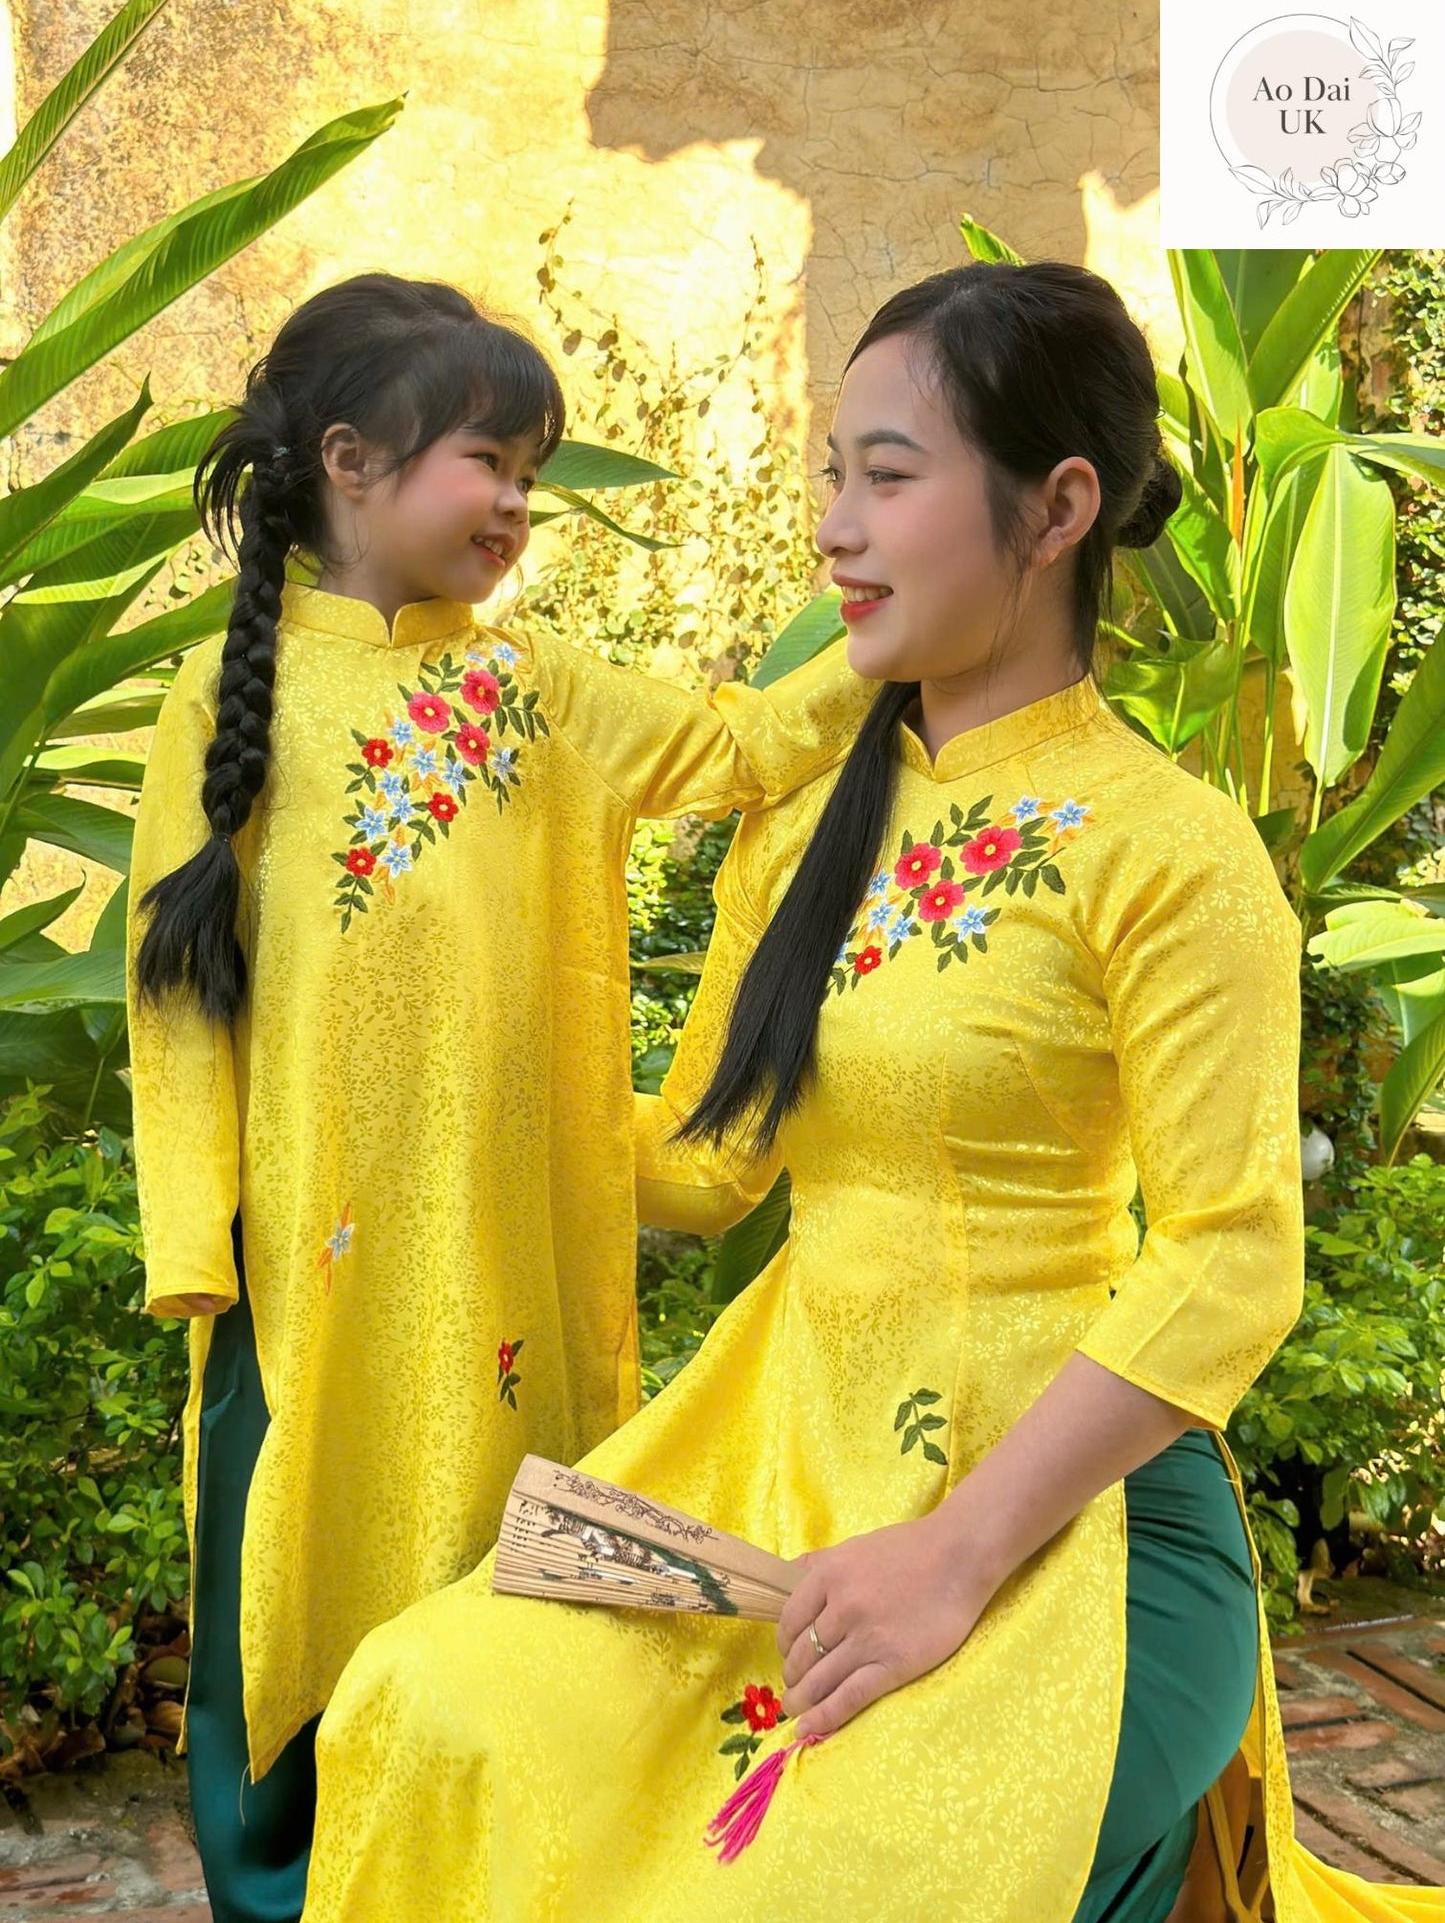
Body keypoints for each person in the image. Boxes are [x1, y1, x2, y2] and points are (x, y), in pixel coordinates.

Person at [301, 263, 1443, 1923]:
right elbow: (704, 1170)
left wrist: (951, 1558)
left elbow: (1230, 1259)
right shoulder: (811, 826)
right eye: (833, 475)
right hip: (775, 1464)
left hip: (1065, 1527)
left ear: (1058, 508)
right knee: (426, 1709)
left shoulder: (1169, 855)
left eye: (886, 478)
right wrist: (440, 1073)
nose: (834, 529)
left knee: (803, 1889)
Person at [126, 273, 867, 1923]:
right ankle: (285, 1891)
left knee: (493, 1548)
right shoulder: (223, 703)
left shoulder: (536, 685)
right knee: (290, 1570)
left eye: (533, 470)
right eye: (491, 462)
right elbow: (174, 997)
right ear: (350, 463)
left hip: (503, 1249)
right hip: (301, 1270)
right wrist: (194, 1239)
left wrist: (886, 650)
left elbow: (736, 753)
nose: (521, 502)